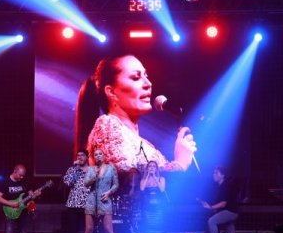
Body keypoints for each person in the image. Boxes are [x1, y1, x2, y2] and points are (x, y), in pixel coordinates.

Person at [74, 54, 197, 197]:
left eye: (146, 76)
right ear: (111, 92)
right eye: (136, 77)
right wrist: (180, 164)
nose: (148, 84)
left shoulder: (142, 142)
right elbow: (128, 182)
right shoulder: (107, 124)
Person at [82, 148, 119, 233]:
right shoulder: (91, 169)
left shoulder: (111, 168)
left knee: (108, 229)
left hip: (105, 201)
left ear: (104, 156)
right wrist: (95, 175)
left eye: (100, 154)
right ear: (94, 157)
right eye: (96, 154)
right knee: (89, 229)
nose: (98, 156)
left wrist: (109, 193)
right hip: (91, 201)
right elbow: (86, 183)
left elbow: (116, 184)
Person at [0, 164, 43, 233]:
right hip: (10, 211)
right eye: (20, 175)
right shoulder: (5, 182)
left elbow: (31, 196)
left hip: (22, 211)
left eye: (23, 176)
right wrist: (11, 204)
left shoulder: (23, 182)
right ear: (15, 171)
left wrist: (35, 194)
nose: (21, 177)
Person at [199, 166, 240, 233]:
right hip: (232, 212)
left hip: (230, 212)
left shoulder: (225, 185)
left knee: (212, 221)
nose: (213, 174)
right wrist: (211, 207)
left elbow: (223, 204)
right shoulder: (222, 186)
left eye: (216, 173)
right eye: (213, 173)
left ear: (223, 175)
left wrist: (211, 207)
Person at [62, 149, 90, 233]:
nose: (80, 157)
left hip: (87, 205)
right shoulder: (72, 169)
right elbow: (68, 182)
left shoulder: (92, 170)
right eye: (78, 155)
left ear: (87, 157)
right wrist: (75, 169)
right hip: (73, 204)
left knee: (87, 229)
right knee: (72, 230)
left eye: (82, 155)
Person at [138, 160, 169, 233]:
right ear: (147, 168)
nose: (151, 168)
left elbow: (162, 189)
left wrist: (155, 177)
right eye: (150, 166)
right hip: (147, 208)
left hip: (158, 208)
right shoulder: (143, 180)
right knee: (148, 227)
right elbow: (142, 189)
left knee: (158, 226)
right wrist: (148, 175)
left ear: (156, 169)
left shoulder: (161, 179)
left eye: (153, 166)